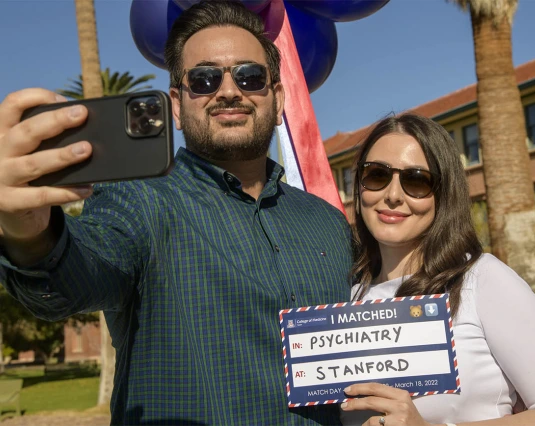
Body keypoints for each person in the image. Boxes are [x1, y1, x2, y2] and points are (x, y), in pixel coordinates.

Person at [0, 1, 352, 424]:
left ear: (278, 98)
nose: (228, 91)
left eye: (250, 76)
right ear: (178, 105)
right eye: (204, 79)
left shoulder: (329, 223)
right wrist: (29, 231)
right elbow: (74, 277)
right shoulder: (140, 202)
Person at [339, 113, 535, 426]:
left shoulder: (482, 280)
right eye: (377, 175)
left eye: (416, 180)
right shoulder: (345, 299)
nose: (392, 195)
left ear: (443, 194)